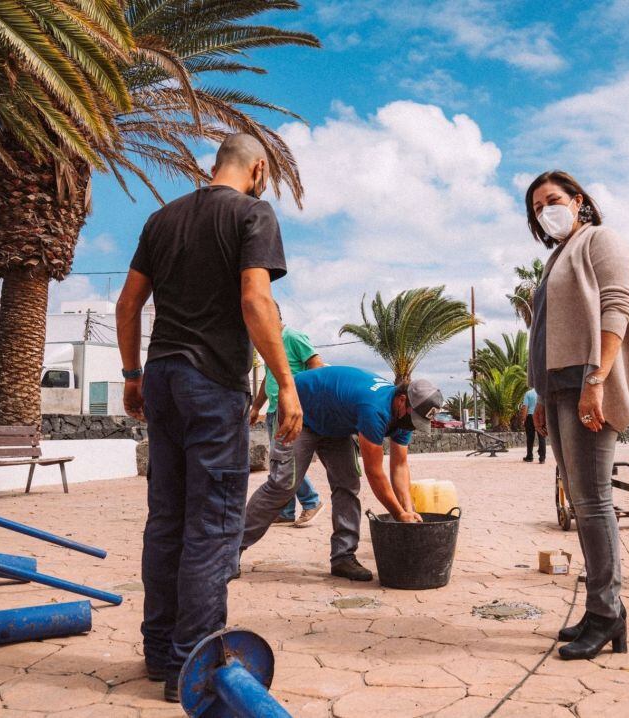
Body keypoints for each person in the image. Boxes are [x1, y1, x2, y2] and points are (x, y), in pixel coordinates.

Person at [115, 133, 302, 703]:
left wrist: (131, 375)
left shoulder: (162, 219)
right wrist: (284, 381)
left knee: (166, 517)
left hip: (163, 379)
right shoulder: (254, 213)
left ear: (214, 163)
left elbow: (127, 305)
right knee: (212, 525)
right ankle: (187, 666)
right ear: (258, 169)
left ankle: (157, 651)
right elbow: (254, 300)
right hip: (211, 384)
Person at [525, 170, 629, 661]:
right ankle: (600, 610)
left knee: (594, 502)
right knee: (580, 500)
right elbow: (547, 333)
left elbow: (616, 306)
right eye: (538, 207)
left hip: (588, 381)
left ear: (578, 200)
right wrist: (542, 395)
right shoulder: (555, 257)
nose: (546, 211)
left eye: (553, 200)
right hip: (559, 387)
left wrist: (597, 379)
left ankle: (608, 615)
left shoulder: (601, 239)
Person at [241, 366, 442, 581]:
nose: (413, 425)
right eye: (414, 418)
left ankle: (343, 558)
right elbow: (375, 473)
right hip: (301, 410)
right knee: (283, 485)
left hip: (335, 424)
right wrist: (398, 514)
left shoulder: (404, 417)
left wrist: (408, 511)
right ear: (402, 400)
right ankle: (230, 551)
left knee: (347, 484)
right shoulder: (375, 409)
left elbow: (400, 466)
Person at [248, 306, 325, 527]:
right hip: (274, 410)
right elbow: (267, 379)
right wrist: (256, 407)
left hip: (290, 411)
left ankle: (312, 501)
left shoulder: (293, 337)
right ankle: (286, 511)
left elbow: (316, 365)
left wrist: (303, 400)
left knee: (286, 463)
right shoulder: (269, 343)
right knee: (278, 462)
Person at [520, 388, 546, 463]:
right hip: (541, 416)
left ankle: (529, 456)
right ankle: (542, 458)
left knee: (530, 438)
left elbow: (525, 407)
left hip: (530, 417)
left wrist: (523, 419)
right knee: (542, 437)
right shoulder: (543, 392)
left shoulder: (528, 393)